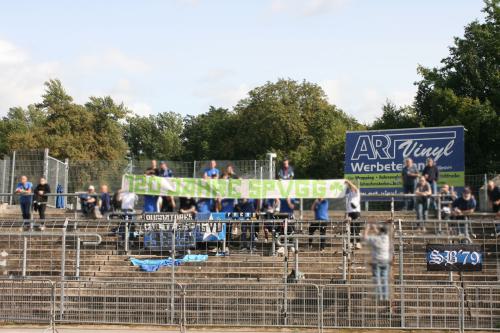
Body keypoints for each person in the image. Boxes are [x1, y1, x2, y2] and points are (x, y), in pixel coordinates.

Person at [363, 220, 392, 301]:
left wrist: (367, 228)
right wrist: (376, 228)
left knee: (377, 279)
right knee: (384, 279)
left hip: (376, 261)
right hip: (385, 261)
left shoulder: (375, 239)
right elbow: (381, 233)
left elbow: (365, 237)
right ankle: (385, 297)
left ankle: (380, 297)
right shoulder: (386, 238)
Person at [345, 179, 362, 249]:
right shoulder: (349, 194)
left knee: (357, 228)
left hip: (356, 212)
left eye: (352, 187)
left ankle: (358, 243)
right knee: (351, 228)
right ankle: (351, 243)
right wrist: (346, 214)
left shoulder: (357, 192)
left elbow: (353, 187)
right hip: (349, 212)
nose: (351, 188)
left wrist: (348, 182)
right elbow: (346, 203)